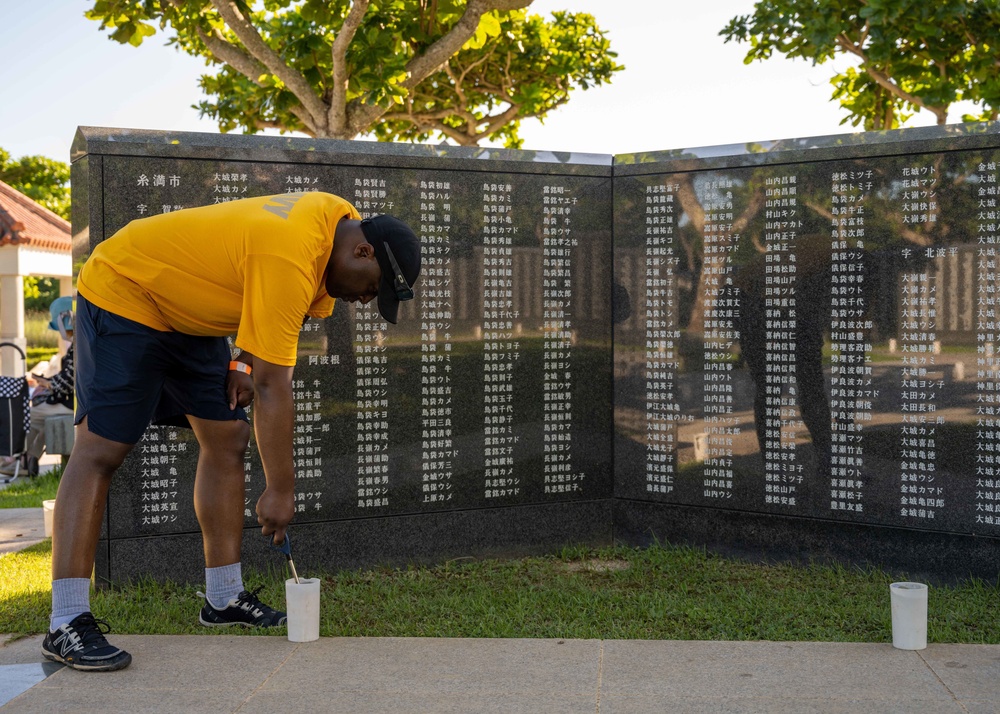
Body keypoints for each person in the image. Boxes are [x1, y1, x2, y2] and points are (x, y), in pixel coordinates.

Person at [42, 192, 421, 671]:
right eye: (374, 289)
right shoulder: (292, 250)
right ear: (362, 252)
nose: (366, 301)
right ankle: (66, 620)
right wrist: (280, 491)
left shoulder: (332, 225)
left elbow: (262, 316)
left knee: (227, 435)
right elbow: (272, 384)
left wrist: (239, 359)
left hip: (187, 314)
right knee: (102, 448)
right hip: (128, 286)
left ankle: (222, 598)